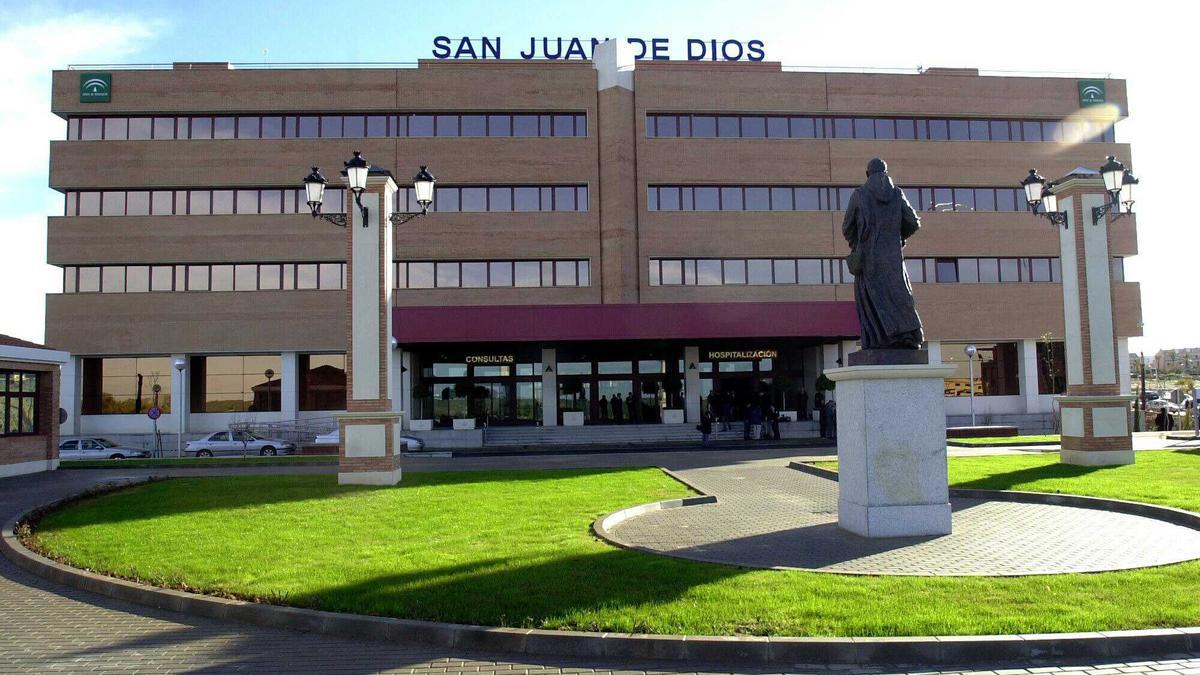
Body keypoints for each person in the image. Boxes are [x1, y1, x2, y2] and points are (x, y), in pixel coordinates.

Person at [841, 157, 925, 350]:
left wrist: (858, 244)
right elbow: (913, 222)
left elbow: (847, 227)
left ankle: (880, 339)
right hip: (892, 257)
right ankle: (908, 335)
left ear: (867, 174)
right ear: (885, 173)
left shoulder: (860, 195)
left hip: (869, 258)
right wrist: (898, 238)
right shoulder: (897, 194)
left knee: (873, 298)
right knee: (899, 294)